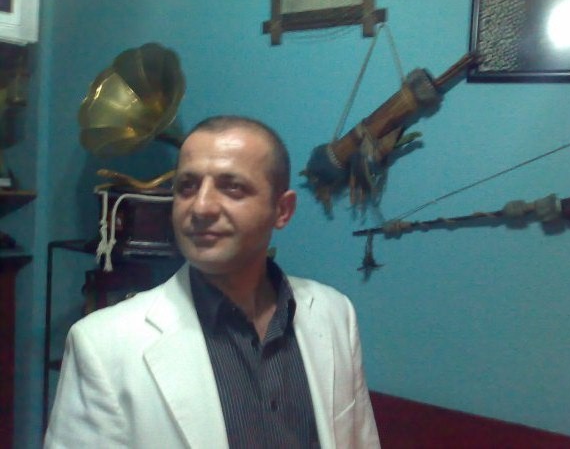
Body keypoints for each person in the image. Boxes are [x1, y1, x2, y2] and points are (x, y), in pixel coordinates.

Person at [44, 115, 380, 448]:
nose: (201, 207)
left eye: (232, 187)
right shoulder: (103, 345)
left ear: (282, 210)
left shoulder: (335, 314)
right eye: (187, 187)